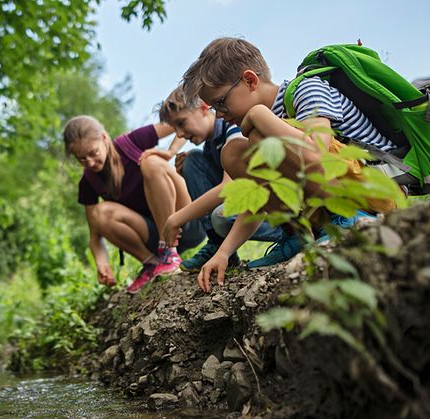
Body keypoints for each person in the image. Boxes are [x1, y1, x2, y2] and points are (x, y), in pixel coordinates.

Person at [180, 37, 397, 292]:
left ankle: (352, 220)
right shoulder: (272, 120)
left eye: (220, 103)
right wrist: (225, 252)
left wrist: (260, 116)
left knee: (261, 139)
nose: (219, 114)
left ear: (250, 81)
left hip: (375, 192)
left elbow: (316, 153)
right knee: (234, 153)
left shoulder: (307, 89)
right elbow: (261, 193)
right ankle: (300, 236)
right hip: (332, 194)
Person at [63, 115, 206, 294]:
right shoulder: (88, 182)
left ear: (104, 138)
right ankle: (152, 264)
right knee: (100, 213)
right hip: (152, 235)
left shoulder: (130, 142)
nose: (90, 163)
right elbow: (95, 237)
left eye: (93, 153)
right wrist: (102, 263)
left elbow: (183, 119)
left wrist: (170, 152)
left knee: (151, 161)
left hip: (187, 221)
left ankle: (170, 252)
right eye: (81, 159)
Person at [158, 85, 284, 273]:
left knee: (222, 217)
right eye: (175, 128)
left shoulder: (232, 126)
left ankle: (288, 232)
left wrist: (177, 217)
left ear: (202, 108)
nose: (180, 134)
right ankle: (217, 244)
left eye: (182, 123)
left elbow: (228, 186)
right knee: (191, 160)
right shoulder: (210, 146)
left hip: (270, 205)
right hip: (249, 200)